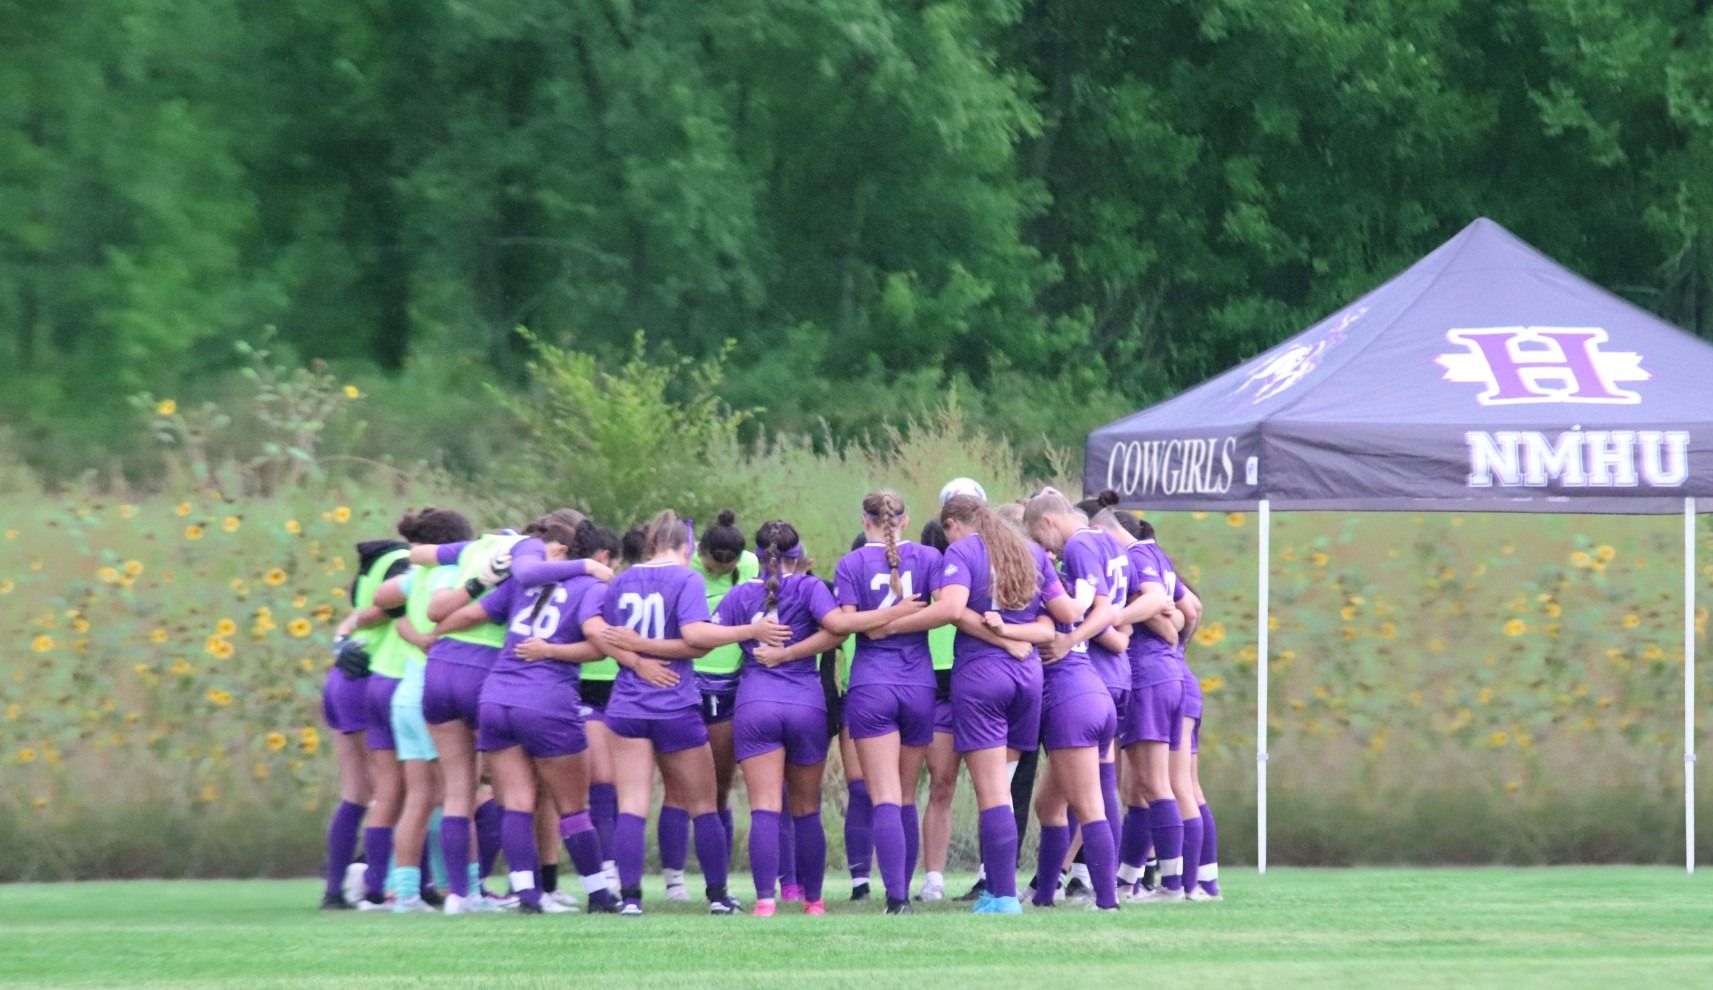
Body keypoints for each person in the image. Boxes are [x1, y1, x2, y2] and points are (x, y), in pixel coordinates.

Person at [596, 509, 790, 916]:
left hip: (627, 705)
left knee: (632, 802)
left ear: (650, 544)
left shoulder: (623, 579)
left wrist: (636, 659)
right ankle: (718, 896)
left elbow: (606, 636)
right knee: (703, 802)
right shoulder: (685, 578)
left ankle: (630, 899)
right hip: (673, 704)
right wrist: (749, 631)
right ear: (685, 548)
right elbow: (697, 639)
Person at [435, 517, 623, 914]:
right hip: (547, 701)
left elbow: (469, 617)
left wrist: (431, 640)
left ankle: (527, 895)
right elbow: (598, 644)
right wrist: (554, 650)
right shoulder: (593, 585)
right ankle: (600, 896)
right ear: (601, 555)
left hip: (497, 697)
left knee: (516, 803)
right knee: (573, 807)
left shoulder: (524, 582)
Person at [897, 494, 1057, 915]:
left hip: (983, 676)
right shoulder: (1034, 552)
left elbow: (951, 610)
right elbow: (1056, 619)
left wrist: (892, 624)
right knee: (1002, 787)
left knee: (993, 794)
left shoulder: (963, 550)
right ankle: (1001, 888)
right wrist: (1019, 638)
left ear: (953, 525)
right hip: (1028, 679)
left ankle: (1001, 894)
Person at [713, 520, 845, 915]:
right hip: (807, 706)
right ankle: (814, 902)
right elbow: (837, 632)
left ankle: (766, 903)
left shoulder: (739, 595)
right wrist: (792, 653)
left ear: (757, 555)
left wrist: (747, 631)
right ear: (797, 556)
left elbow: (701, 636)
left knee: (764, 808)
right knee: (807, 809)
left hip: (756, 705)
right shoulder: (810, 587)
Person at [353, 508, 474, 909]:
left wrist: (415, 633)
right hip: (433, 690)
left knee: (419, 797)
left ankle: (404, 893)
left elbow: (384, 600)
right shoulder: (452, 576)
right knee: (459, 793)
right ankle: (465, 888)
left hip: (407, 690)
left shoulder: (417, 575)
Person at [825, 492, 939, 914]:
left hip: (872, 686)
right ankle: (903, 893)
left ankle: (896, 899)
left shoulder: (851, 563)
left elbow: (842, 622)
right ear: (905, 521)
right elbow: (945, 610)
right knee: (906, 794)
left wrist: (881, 625)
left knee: (885, 794)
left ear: (864, 521)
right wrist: (901, 618)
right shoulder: (928, 557)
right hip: (919, 686)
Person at [667, 510, 759, 901]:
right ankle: (673, 882)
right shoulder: (683, 566)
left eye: (728, 567)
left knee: (719, 787)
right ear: (699, 552)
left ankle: (716, 881)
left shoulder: (752, 564)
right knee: (677, 789)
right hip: (684, 682)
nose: (720, 573)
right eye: (712, 566)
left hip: (728, 687)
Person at [320, 533, 412, 909]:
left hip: (342, 679)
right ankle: (378, 885)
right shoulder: (405, 565)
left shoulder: (374, 568)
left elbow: (359, 616)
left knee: (357, 792)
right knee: (392, 790)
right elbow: (378, 612)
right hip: (369, 678)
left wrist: (341, 639)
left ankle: (335, 889)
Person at [914, 519, 959, 902]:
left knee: (996, 787)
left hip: (973, 681)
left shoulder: (970, 576)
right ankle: (933, 878)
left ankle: (990, 874)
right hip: (932, 684)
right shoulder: (917, 579)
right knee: (940, 782)